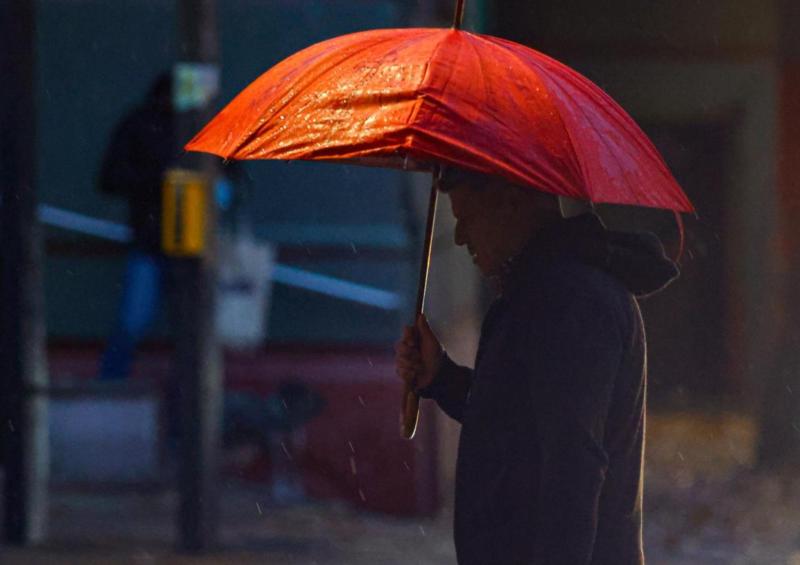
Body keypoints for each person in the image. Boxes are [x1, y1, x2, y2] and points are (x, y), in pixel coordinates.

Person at [395, 166, 679, 564]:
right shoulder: (538, 294)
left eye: (466, 217)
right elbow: (515, 420)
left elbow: (572, 466)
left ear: (511, 204)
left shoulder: (573, 302)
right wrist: (441, 377)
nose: (459, 237)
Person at [97, 72, 177, 380]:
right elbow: (110, 178)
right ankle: (111, 383)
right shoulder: (141, 125)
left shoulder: (198, 125)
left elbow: (232, 175)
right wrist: (157, 182)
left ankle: (184, 389)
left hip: (190, 243)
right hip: (151, 239)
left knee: (192, 326)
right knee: (133, 321)